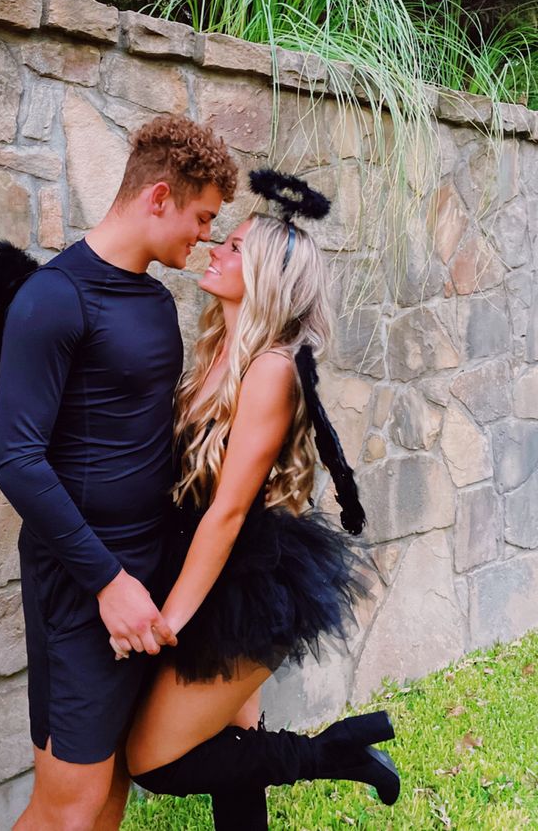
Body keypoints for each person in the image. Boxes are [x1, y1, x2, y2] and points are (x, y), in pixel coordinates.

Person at [124, 184, 399, 829]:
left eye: (236, 247)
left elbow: (227, 511)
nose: (216, 249)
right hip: (201, 558)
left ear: (268, 276)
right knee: (235, 740)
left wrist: (171, 620)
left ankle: (334, 754)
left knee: (151, 762)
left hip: (246, 573)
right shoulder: (219, 350)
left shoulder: (272, 368)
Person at [0, 114, 238, 831]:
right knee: (67, 805)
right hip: (82, 585)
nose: (203, 237)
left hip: (151, 574)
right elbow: (17, 461)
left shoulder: (157, 302)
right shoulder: (53, 298)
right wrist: (108, 582)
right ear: (158, 196)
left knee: (113, 789)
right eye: (201, 217)